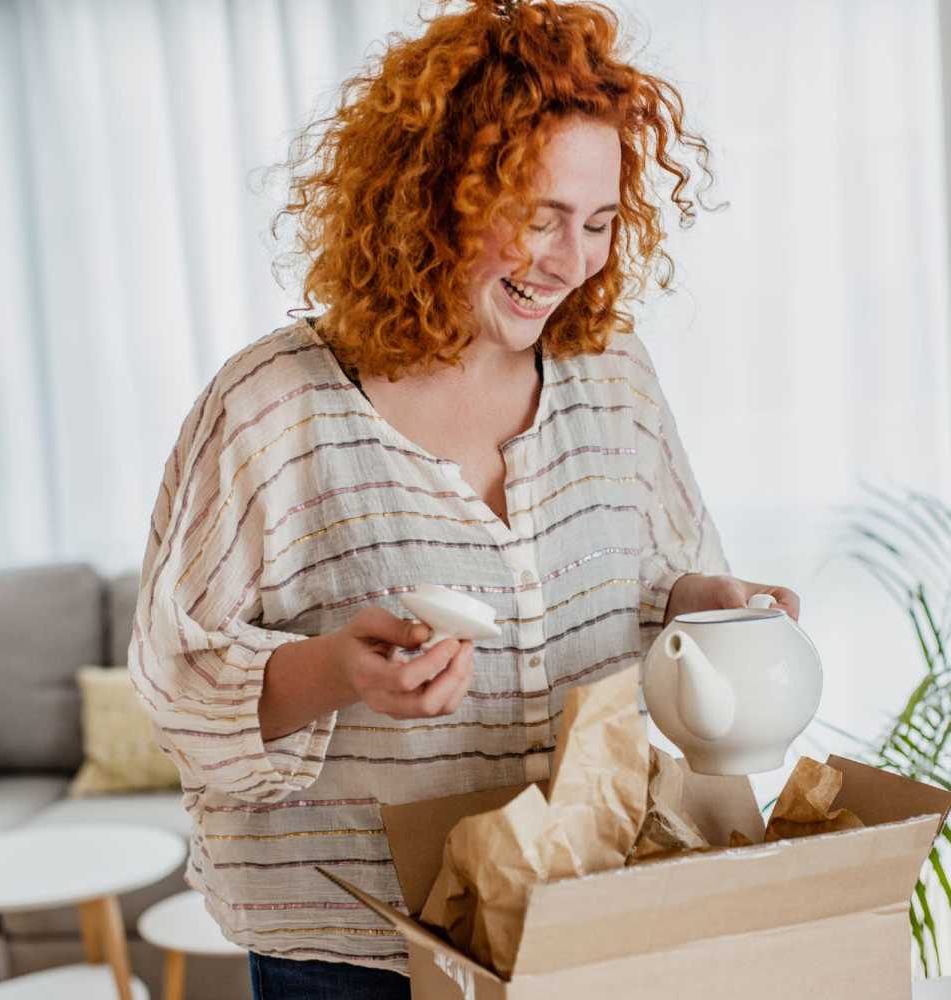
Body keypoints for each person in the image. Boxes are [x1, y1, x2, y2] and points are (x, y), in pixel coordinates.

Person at [129, 1, 800, 997]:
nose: (571, 261)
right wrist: (338, 670)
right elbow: (177, 687)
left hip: (581, 907)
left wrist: (693, 601)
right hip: (356, 949)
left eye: (600, 224)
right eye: (539, 217)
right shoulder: (272, 407)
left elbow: (649, 574)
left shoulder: (612, 374)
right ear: (436, 194)